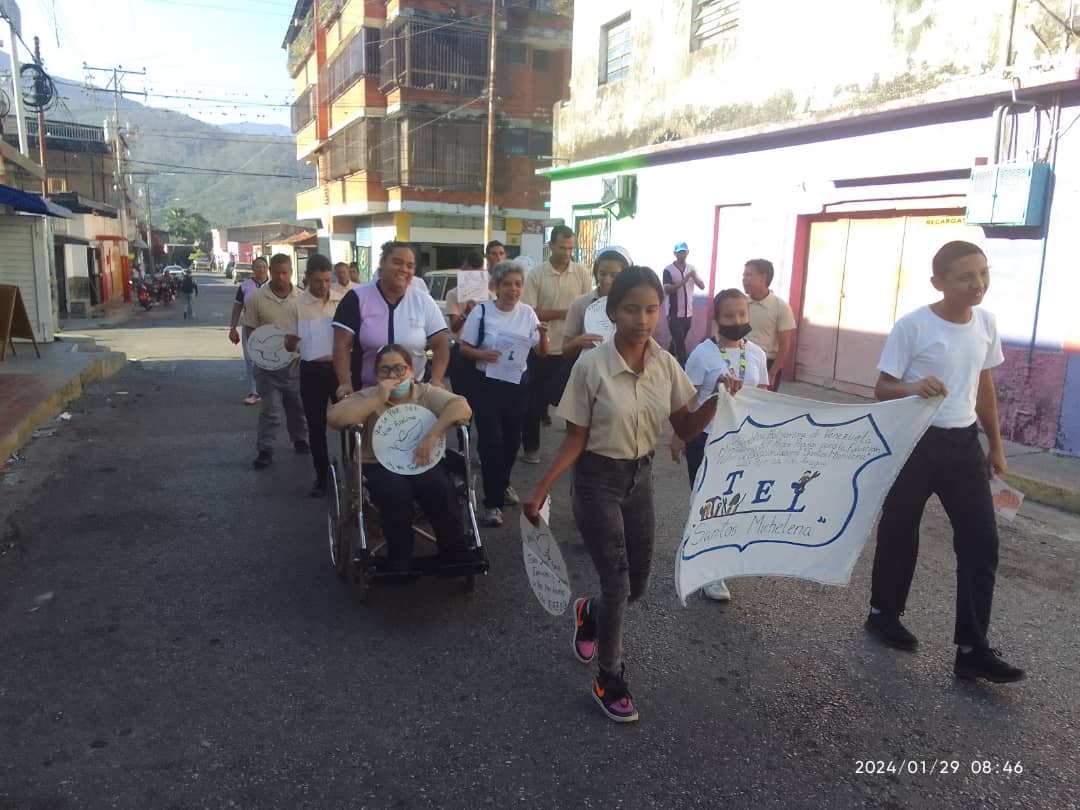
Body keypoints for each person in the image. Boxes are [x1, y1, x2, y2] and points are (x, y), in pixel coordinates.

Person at [523, 266, 720, 723]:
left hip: (640, 480)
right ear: (612, 313)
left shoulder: (666, 364)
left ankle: (587, 613)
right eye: (632, 309)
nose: (643, 319)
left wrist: (718, 400)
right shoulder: (591, 367)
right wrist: (539, 493)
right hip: (596, 482)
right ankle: (608, 678)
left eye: (652, 309)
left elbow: (687, 428)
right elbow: (574, 439)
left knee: (637, 587)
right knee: (617, 583)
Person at [864, 240, 1024, 684]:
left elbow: (984, 384)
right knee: (900, 530)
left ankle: (972, 648)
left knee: (981, 542)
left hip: (963, 447)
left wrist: (995, 444)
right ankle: (883, 614)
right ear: (939, 282)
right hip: (914, 442)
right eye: (966, 276)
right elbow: (882, 388)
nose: (978, 284)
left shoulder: (986, 324)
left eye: (984, 273)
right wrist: (913, 388)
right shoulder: (914, 326)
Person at [327, 344, 474, 571]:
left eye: (399, 368)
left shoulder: (423, 393)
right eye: (385, 370)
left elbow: (461, 406)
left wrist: (433, 434)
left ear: (411, 371)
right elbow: (335, 418)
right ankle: (400, 557)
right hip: (378, 462)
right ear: (376, 375)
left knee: (440, 487)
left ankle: (454, 551)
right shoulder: (367, 395)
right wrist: (378, 399)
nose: (393, 375)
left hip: (421, 458)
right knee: (396, 492)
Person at [670, 288, 769, 602]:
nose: (737, 320)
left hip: (743, 441)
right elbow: (686, 398)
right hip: (706, 439)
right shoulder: (702, 354)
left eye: (741, 314)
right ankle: (704, 565)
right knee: (705, 502)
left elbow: (763, 394)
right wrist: (678, 437)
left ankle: (714, 568)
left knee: (732, 504)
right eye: (729, 315)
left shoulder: (756, 354)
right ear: (716, 319)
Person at [458, 261, 549, 527]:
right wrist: (483, 354)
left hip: (517, 384)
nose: (513, 289)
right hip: (486, 384)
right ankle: (492, 503)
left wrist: (543, 335)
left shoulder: (528, 313)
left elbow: (541, 352)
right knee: (491, 441)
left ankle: (503, 483)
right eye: (507, 284)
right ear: (496, 287)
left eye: (518, 284)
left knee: (511, 441)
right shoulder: (482, 312)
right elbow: (463, 348)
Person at [332, 241, 449, 400]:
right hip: (369, 393)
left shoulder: (423, 301)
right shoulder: (357, 298)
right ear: (382, 263)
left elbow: (441, 343)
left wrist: (436, 379)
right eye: (397, 262)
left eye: (410, 265)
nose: (404, 269)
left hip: (413, 395)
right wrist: (345, 383)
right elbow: (341, 345)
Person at [520, 225, 592, 464]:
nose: (566, 252)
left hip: (571, 349)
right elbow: (529, 311)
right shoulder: (537, 275)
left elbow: (588, 308)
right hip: (542, 349)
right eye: (562, 247)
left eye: (570, 248)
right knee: (533, 402)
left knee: (577, 402)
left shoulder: (581, 273)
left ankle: (578, 448)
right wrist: (564, 313)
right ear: (551, 246)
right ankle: (531, 448)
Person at [244, 254, 309, 469]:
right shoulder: (257, 298)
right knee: (270, 410)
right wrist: (260, 354)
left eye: (286, 272)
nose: (282, 277)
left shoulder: (301, 298)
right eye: (277, 272)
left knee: (297, 405)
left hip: (294, 363)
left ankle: (300, 439)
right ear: (270, 271)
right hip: (266, 366)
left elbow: (307, 332)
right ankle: (265, 450)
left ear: (291, 272)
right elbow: (251, 330)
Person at [293, 254, 344, 497]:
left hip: (339, 369)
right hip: (311, 371)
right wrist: (290, 342)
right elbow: (288, 345)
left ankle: (356, 473)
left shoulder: (342, 300)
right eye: (317, 281)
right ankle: (322, 477)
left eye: (326, 280)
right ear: (306, 279)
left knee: (350, 421)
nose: (322, 286)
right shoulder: (296, 304)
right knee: (316, 426)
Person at [562, 246, 631, 359]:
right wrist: (578, 341)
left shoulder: (632, 305)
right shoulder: (580, 304)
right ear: (595, 272)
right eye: (602, 274)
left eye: (614, 276)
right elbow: (565, 350)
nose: (607, 280)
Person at [743, 259, 795, 391]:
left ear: (763, 278)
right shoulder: (741, 304)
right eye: (743, 275)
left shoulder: (781, 307)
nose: (744, 280)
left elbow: (784, 345)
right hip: (741, 362)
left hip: (766, 365)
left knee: (761, 409)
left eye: (749, 275)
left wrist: (772, 374)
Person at [228, 256, 270, 405]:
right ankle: (254, 392)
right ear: (253, 269)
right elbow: (237, 307)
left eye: (264, 267)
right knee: (251, 360)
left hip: (270, 327)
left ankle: (270, 391)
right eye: (258, 267)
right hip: (249, 326)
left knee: (270, 359)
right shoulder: (245, 286)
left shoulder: (274, 285)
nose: (261, 270)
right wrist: (232, 327)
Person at [662, 242, 704, 366]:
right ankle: (683, 370)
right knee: (680, 345)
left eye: (684, 251)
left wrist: (694, 277)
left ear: (687, 253)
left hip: (687, 313)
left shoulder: (691, 268)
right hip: (673, 313)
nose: (682, 254)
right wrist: (685, 280)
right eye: (679, 252)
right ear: (675, 254)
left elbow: (702, 286)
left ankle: (665, 362)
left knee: (676, 342)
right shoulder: (668, 270)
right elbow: (667, 290)